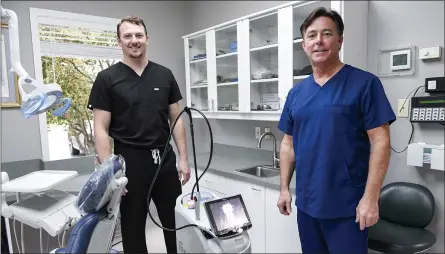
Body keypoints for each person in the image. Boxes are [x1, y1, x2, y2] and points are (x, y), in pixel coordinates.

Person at [277, 7, 396, 254]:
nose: (318, 41)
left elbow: (380, 141)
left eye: (326, 33)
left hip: (348, 208)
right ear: (304, 45)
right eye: (311, 35)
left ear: (339, 40)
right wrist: (284, 189)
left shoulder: (364, 84)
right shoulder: (296, 94)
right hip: (308, 206)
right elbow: (288, 143)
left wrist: (370, 199)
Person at [87, 15, 191, 254]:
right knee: (133, 228)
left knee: (174, 221)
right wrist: (109, 174)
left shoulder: (164, 75)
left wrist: (183, 159)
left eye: (138, 35)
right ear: (119, 41)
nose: (134, 40)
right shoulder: (107, 79)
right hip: (130, 162)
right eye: (128, 36)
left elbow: (175, 119)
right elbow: (101, 129)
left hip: (164, 159)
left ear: (147, 39)